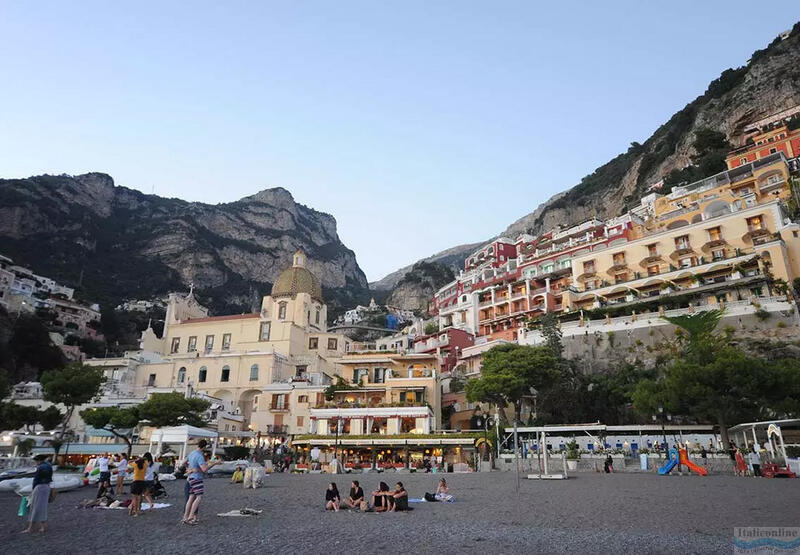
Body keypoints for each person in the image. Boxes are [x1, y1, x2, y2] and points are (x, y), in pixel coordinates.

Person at [182, 440, 216, 525]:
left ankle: (185, 517)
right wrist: (214, 464)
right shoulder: (200, 456)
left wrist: (189, 469)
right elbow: (204, 469)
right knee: (199, 497)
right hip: (197, 478)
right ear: (204, 447)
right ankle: (191, 516)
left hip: (190, 478)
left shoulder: (192, 453)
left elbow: (183, 462)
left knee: (191, 497)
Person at [22, 454, 52, 534]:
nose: (35, 462)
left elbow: (36, 479)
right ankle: (43, 526)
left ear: (39, 460)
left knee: (34, 507)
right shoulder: (49, 466)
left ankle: (30, 528)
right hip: (46, 487)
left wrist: (33, 489)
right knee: (42, 507)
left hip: (39, 487)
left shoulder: (41, 467)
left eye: (36, 461)